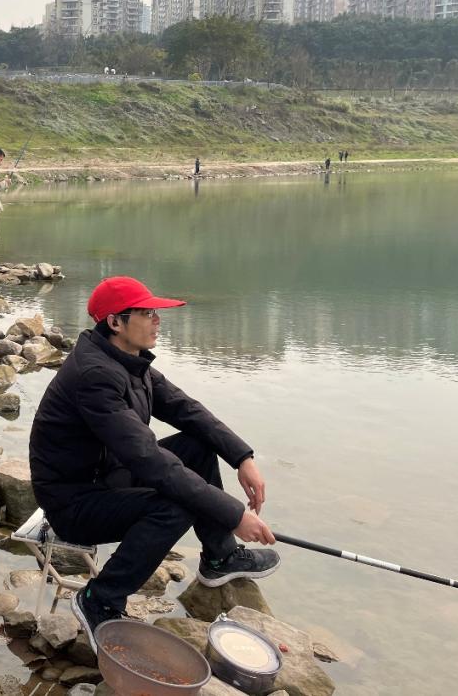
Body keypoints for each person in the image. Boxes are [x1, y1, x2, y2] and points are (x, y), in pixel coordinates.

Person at [29, 276, 279, 650]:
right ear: (115, 322)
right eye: (147, 314)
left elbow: (186, 409)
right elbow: (148, 459)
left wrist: (242, 457)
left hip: (107, 476)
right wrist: (234, 514)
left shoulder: (129, 361)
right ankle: (100, 598)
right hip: (74, 502)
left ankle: (220, 557)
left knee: (197, 446)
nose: (157, 320)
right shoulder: (95, 376)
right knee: (176, 504)